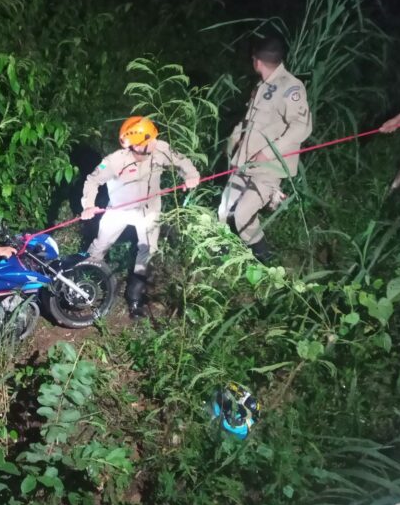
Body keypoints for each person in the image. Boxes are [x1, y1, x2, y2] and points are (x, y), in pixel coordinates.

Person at [80, 116, 200, 319]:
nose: (154, 143)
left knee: (148, 250)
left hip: (149, 209)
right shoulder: (114, 161)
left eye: (153, 138)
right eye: (148, 141)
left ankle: (134, 299)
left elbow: (181, 161)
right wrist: (89, 205)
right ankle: (83, 278)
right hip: (119, 209)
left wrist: (190, 175)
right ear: (135, 146)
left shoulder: (160, 148)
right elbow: (92, 181)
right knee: (100, 245)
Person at [218, 36, 312, 264]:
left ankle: (265, 258)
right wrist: (233, 147)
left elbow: (302, 127)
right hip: (245, 162)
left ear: (256, 61)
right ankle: (220, 253)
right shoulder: (262, 86)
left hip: (268, 168)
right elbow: (248, 122)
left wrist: (268, 153)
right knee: (223, 211)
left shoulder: (291, 87)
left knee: (241, 216)